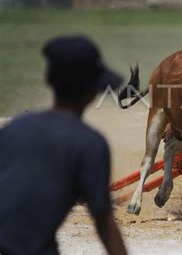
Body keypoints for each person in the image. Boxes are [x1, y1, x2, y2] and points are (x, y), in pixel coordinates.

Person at [0, 36, 128, 255]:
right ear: (92, 92)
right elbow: (104, 221)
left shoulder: (14, 128)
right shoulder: (90, 144)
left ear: (49, 81)